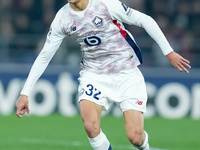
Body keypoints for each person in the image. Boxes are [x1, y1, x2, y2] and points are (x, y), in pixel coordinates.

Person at [16, 0, 191, 149]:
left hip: (126, 73)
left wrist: (169, 52)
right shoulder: (62, 18)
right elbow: (45, 55)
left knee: (135, 137)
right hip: (93, 74)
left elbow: (144, 20)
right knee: (90, 126)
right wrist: (25, 92)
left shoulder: (106, 4)